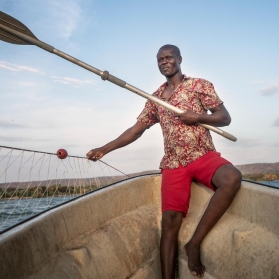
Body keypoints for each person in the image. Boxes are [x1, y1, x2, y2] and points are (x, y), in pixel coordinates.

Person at [86, 45, 242, 278]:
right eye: (160, 59)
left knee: (231, 178)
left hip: (202, 155)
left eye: (168, 57)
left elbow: (224, 118)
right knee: (169, 222)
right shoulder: (155, 98)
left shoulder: (199, 85)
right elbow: (135, 131)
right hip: (173, 163)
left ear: (179, 59)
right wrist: (104, 149)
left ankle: (194, 244)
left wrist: (196, 117)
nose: (164, 62)